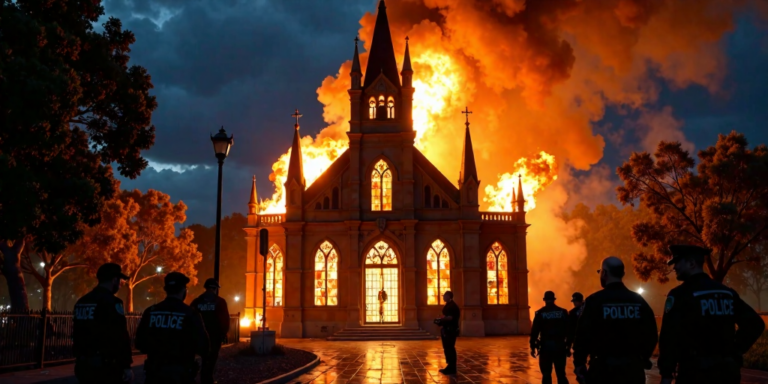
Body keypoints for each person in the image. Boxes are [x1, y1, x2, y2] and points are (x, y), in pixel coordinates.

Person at [658, 245, 765, 384]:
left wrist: (666, 374)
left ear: (691, 263)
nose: (674, 267)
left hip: (694, 373)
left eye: (677, 262)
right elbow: (755, 324)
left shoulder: (680, 294)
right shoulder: (727, 293)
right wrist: (735, 351)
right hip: (727, 372)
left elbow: (669, 337)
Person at [572, 256, 657, 384]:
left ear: (604, 273)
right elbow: (651, 334)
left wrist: (579, 363)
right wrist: (642, 358)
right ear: (622, 273)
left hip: (603, 371)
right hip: (632, 370)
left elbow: (582, 336)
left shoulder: (594, 301)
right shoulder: (638, 301)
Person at [136, 272, 210, 384]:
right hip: (181, 374)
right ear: (184, 290)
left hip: (155, 373)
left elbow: (140, 343)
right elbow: (203, 346)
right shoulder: (190, 314)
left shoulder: (151, 311)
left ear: (166, 289)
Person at [73, 263, 133, 384]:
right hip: (106, 366)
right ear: (114, 279)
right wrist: (126, 365)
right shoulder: (112, 302)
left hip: (83, 363)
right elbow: (120, 335)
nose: (120, 284)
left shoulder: (82, 301)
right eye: (120, 280)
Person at [190, 278, 231, 384]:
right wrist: (224, 333)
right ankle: (207, 378)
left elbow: (190, 317)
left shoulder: (197, 301)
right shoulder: (220, 302)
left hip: (199, 335)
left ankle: (199, 376)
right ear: (215, 289)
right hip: (214, 336)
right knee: (212, 357)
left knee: (202, 357)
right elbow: (225, 319)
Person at [530, 291, 569, 384]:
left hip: (545, 346)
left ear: (544, 300)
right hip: (560, 346)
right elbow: (569, 330)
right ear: (554, 300)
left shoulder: (540, 313)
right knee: (561, 374)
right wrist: (568, 345)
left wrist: (532, 346)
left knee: (546, 374)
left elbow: (534, 332)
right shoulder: (563, 312)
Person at [434, 290, 460, 375]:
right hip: (447, 329)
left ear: (449, 296)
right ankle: (450, 366)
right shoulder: (448, 305)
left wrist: (441, 319)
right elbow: (446, 316)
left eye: (444, 296)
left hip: (451, 330)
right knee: (447, 348)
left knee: (450, 348)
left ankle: (452, 368)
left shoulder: (453, 306)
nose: (443, 297)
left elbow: (451, 318)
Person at [565, 292, 584, 358]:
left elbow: (570, 330)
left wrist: (568, 346)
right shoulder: (590, 309)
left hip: (578, 340)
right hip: (590, 340)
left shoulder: (572, 313)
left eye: (575, 301)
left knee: (579, 361)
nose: (574, 303)